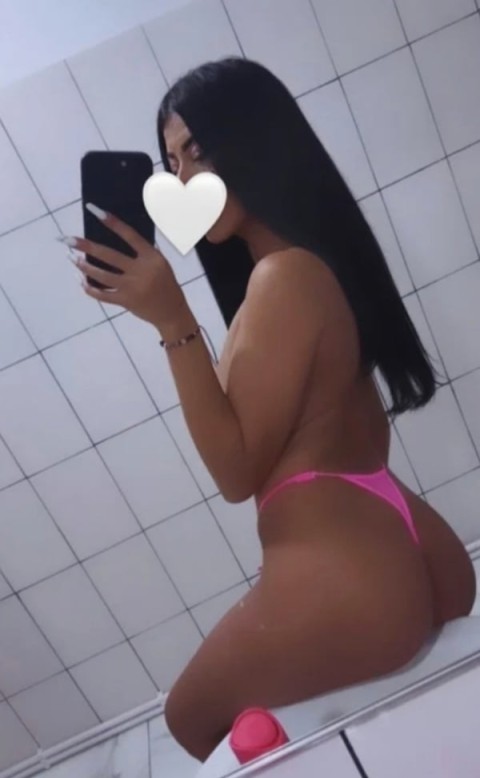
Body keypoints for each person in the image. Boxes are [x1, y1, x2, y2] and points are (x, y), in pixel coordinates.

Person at [68, 57, 476, 763]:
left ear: (255, 139)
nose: (183, 177)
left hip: (350, 573)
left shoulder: (284, 278)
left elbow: (236, 473)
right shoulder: (310, 262)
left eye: (197, 150)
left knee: (188, 717)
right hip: (399, 534)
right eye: (171, 161)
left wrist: (172, 319)